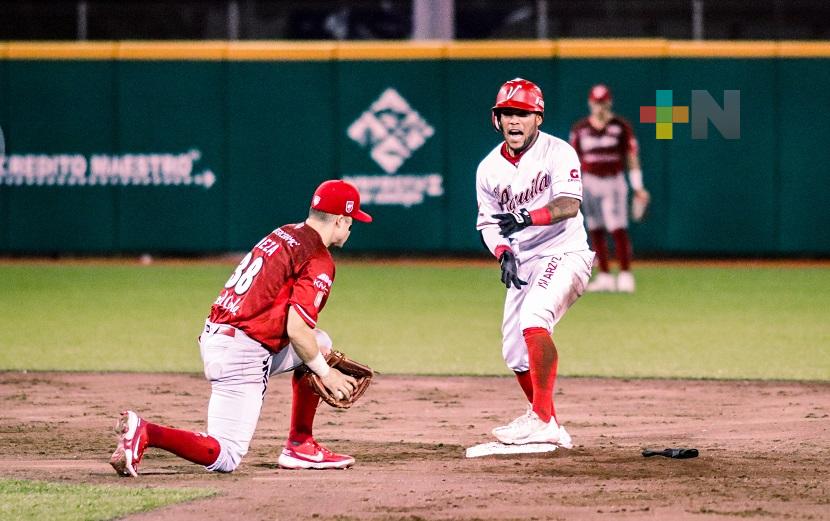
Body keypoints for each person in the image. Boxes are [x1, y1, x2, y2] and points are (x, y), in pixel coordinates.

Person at [109, 179, 373, 476]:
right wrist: (327, 373)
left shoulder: (285, 233)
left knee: (319, 342)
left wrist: (319, 360)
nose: (352, 228)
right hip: (242, 352)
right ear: (339, 219)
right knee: (226, 456)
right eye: (352, 221)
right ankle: (146, 432)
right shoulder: (318, 258)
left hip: (220, 335)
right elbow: (297, 330)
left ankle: (300, 445)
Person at [475, 78, 594, 447]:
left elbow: (568, 205)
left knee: (534, 319)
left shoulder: (558, 152)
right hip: (525, 261)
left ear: (537, 118)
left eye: (523, 113)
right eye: (508, 113)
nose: (514, 120)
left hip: (565, 252)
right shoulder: (488, 168)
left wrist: (527, 217)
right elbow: (487, 223)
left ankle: (541, 418)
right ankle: (549, 423)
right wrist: (503, 253)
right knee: (513, 351)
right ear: (497, 119)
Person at [569, 84, 649, 293]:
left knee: (617, 228)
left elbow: (632, 157)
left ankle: (625, 273)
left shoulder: (620, 126)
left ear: (609, 103)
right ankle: (604, 275)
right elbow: (573, 159)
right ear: (590, 104)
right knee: (595, 228)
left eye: (603, 103)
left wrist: (638, 186)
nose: (600, 108)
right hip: (589, 181)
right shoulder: (581, 129)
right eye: (596, 103)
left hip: (613, 180)